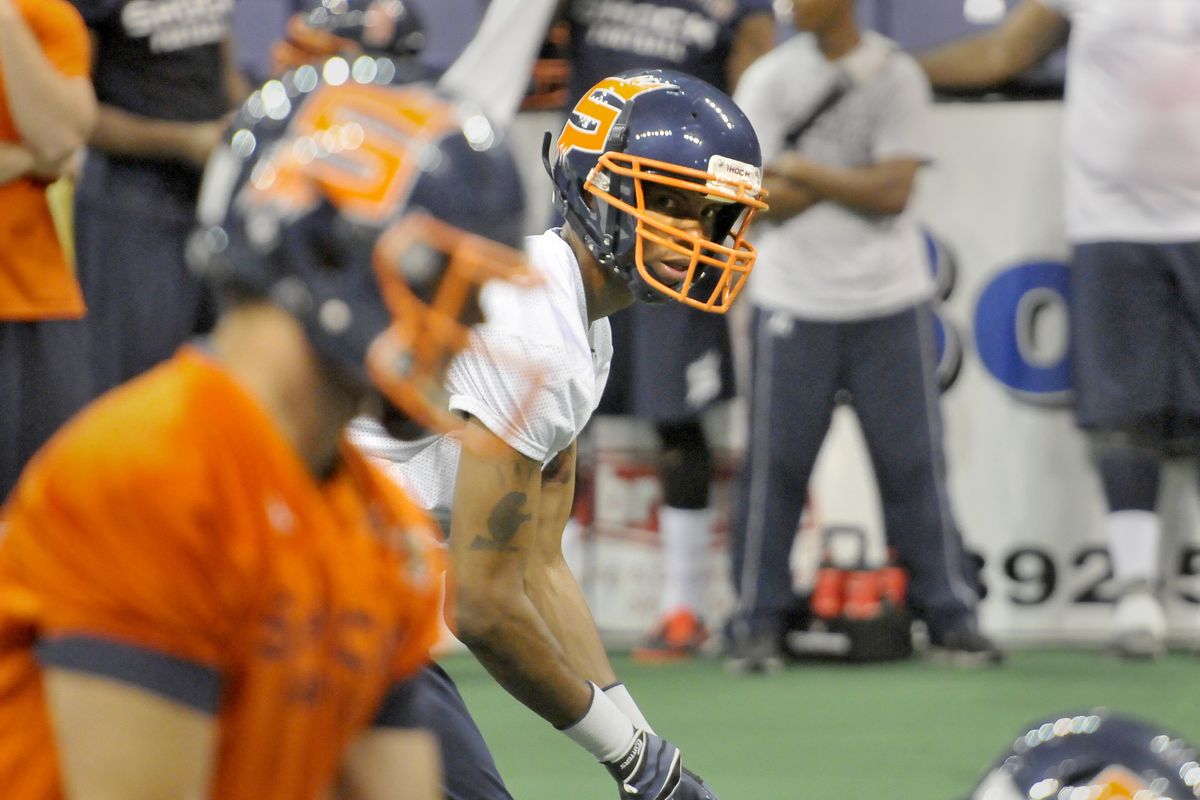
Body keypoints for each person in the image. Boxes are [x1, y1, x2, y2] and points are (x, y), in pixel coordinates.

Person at [0, 64, 534, 797]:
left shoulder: (382, 529)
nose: (470, 331)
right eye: (452, 288)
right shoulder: (150, 479)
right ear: (330, 250)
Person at [353, 68, 767, 799]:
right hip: (282, 578)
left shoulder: (576, 323)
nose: (694, 233)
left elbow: (540, 564)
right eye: (668, 201)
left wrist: (642, 749)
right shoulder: (541, 335)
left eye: (710, 212)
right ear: (595, 185)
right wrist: (641, 764)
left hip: (330, 585)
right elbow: (483, 608)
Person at [917, 0, 1200, 659]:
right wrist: (896, 71)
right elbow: (1001, 54)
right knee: (1123, 414)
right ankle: (1134, 593)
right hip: (1113, 225)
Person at [726, 0, 1000, 672]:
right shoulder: (766, 80)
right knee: (774, 471)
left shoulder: (896, 74)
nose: (793, 5)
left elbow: (893, 194)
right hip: (794, 300)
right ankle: (755, 622)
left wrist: (806, 170)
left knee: (914, 470)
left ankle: (951, 617)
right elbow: (751, 202)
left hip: (889, 302)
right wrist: (854, 176)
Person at [564, 0, 777, 663]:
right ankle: (545, 600)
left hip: (676, 216)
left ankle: (682, 607)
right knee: (560, 414)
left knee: (678, 419)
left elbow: (756, 91)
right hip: (597, 201)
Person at [69, 0, 250, 396]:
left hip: (214, 200)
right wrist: (186, 141)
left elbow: (224, 72)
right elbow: (75, 118)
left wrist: (252, 125)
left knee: (223, 381)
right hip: (130, 204)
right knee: (136, 387)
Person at [0, 0, 96, 502]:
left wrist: (5, 22)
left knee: (37, 516)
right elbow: (56, 151)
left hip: (32, 301)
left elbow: (61, 139)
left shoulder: (39, 17)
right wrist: (25, 158)